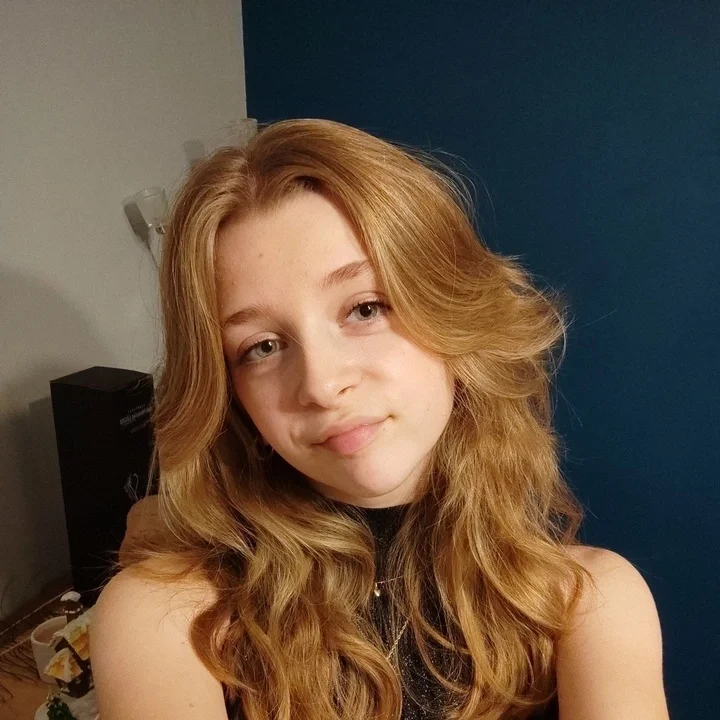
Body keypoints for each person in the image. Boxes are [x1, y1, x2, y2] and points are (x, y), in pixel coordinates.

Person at [89, 118, 669, 720]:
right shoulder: (168, 623)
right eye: (262, 347)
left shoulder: (590, 606)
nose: (321, 384)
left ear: (453, 313)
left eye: (365, 309)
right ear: (232, 399)